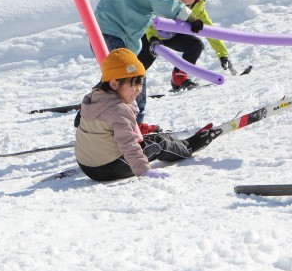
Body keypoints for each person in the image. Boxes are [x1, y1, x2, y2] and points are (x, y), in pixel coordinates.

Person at [93, 0, 205, 133]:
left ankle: (89, 113)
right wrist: (188, 16)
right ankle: (135, 124)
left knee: (116, 77)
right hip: (111, 31)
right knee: (133, 74)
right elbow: (164, 4)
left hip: (109, 30)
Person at [74, 48, 221, 182]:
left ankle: (180, 144)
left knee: (151, 139)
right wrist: (144, 171)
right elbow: (129, 144)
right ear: (114, 84)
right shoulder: (119, 110)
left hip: (86, 165)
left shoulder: (93, 97)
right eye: (133, 84)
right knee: (159, 142)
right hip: (110, 168)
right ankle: (188, 147)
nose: (138, 90)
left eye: (140, 84)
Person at [139, 0, 238, 91]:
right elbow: (151, 19)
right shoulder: (168, 0)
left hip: (173, 37)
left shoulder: (198, 10)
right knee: (142, 64)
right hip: (151, 36)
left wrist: (223, 55)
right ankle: (126, 84)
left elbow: (210, 32)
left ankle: (179, 76)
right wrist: (152, 38)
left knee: (196, 45)